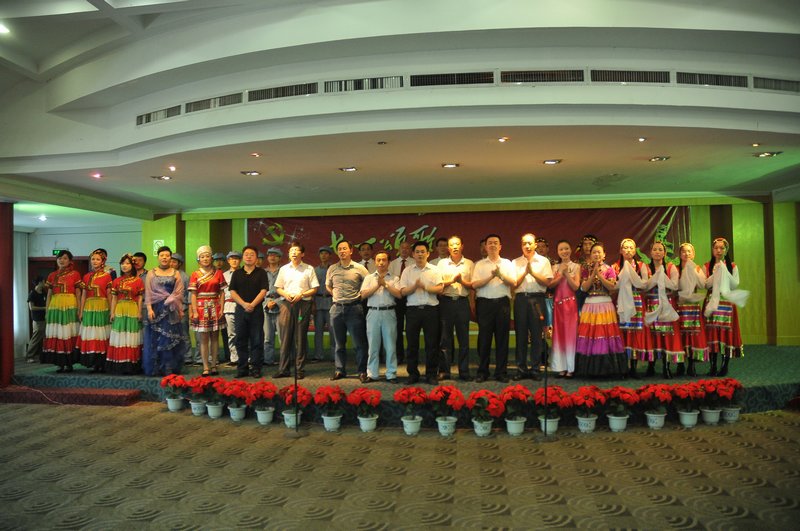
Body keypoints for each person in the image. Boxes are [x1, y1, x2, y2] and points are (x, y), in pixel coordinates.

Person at [574, 242, 627, 377]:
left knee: (605, 335)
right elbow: (584, 288)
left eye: (599, 252)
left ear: (604, 255)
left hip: (605, 305)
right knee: (590, 335)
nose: (596, 254)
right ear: (590, 255)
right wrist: (593, 274)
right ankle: (589, 370)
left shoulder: (609, 269)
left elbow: (611, 287)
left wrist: (600, 275)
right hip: (590, 305)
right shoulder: (585, 269)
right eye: (594, 252)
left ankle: (608, 369)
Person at [470, 234, 515, 383]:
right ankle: (483, 372)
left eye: (496, 243)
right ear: (485, 246)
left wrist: (500, 275)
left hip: (502, 304)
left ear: (500, 246)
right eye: (490, 243)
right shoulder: (479, 264)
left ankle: (501, 372)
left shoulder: (507, 263)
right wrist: (491, 277)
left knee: (502, 339)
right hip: (485, 304)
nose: (493, 245)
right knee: (484, 339)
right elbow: (474, 284)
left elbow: (513, 282)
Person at [399, 240, 444, 384]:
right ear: (413, 254)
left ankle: (431, 374)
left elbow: (440, 288)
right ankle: (413, 374)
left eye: (422, 252)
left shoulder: (435, 270)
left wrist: (425, 287)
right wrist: (414, 287)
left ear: (428, 253)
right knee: (412, 344)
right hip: (413, 311)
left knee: (432, 344)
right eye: (417, 252)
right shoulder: (407, 270)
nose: (420, 254)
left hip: (431, 310)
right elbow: (403, 291)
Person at [273, 242, 319, 379]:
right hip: (286, 304)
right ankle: (283, 369)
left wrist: (302, 294)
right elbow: (278, 287)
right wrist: (285, 294)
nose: (293, 252)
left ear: (302, 254)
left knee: (300, 337)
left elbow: (314, 288)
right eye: (291, 250)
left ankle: (299, 369)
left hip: (303, 304)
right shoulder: (284, 269)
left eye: (296, 250)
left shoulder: (309, 269)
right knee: (285, 337)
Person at [326, 240, 370, 382]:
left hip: (354, 308)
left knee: (359, 343)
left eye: (344, 248)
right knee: (338, 344)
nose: (342, 251)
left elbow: (369, 284)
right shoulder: (332, 268)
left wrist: (360, 295)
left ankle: (362, 371)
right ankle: (339, 370)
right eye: (339, 249)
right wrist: (335, 294)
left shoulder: (360, 268)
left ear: (351, 251)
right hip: (336, 308)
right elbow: (328, 285)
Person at [512, 233, 553, 380]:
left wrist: (533, 273)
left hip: (537, 299)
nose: (527, 246)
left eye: (530, 243)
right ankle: (521, 368)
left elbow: (548, 283)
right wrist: (525, 273)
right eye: (524, 243)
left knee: (537, 335)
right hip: (521, 299)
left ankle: (535, 368)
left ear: (535, 245)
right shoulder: (515, 262)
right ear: (521, 245)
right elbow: (513, 284)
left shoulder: (543, 261)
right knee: (521, 335)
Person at [704, 237, 747, 376]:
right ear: (712, 250)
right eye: (716, 248)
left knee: (725, 333)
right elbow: (705, 284)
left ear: (726, 250)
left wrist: (723, 269)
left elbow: (734, 284)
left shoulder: (732, 266)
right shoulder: (707, 266)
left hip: (726, 303)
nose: (719, 250)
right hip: (712, 301)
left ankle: (724, 365)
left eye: (722, 248)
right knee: (712, 333)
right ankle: (712, 365)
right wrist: (715, 273)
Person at [144, 246, 188, 376]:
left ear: (170, 258)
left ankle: (169, 367)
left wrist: (178, 308)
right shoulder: (151, 273)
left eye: (167, 255)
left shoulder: (176, 273)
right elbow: (148, 292)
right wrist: (149, 309)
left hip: (171, 309)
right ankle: (157, 367)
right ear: (158, 257)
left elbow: (179, 292)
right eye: (162, 255)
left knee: (170, 337)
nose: (164, 258)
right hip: (156, 309)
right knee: (156, 338)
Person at [613, 238, 653, 378]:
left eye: (631, 248)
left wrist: (632, 278)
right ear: (621, 250)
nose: (628, 250)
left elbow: (645, 284)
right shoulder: (615, 267)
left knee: (635, 332)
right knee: (623, 332)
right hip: (622, 301)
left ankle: (634, 368)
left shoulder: (641, 265)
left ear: (635, 250)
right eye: (625, 247)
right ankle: (623, 368)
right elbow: (613, 285)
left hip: (637, 301)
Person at [360, 250, 402, 382]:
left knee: (390, 346)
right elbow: (363, 295)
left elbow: (399, 294)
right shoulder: (369, 278)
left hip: (389, 312)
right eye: (378, 260)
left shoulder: (395, 278)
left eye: (384, 260)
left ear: (389, 262)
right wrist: (377, 285)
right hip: (373, 312)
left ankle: (391, 374)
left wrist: (386, 284)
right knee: (373, 345)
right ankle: (372, 374)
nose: (381, 263)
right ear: (375, 262)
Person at [437, 235, 474, 381]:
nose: (454, 247)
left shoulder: (469, 263)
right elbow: (438, 284)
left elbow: (473, 285)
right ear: (448, 248)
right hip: (446, 302)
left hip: (462, 302)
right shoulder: (442, 264)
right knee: (445, 339)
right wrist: (451, 281)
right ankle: (444, 371)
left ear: (462, 246)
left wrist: (462, 282)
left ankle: (464, 371)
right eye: (452, 245)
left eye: (457, 244)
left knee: (463, 339)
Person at [229, 246, 269, 378]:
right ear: (243, 257)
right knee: (240, 340)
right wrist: (244, 304)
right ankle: (242, 368)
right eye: (246, 254)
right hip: (240, 310)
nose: (249, 257)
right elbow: (232, 291)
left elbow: (263, 291)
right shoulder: (237, 273)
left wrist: (252, 304)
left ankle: (256, 368)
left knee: (257, 340)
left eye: (252, 254)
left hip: (256, 310)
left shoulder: (261, 273)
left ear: (256, 258)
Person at [644, 241, 682, 379]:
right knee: (652, 336)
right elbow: (644, 286)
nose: (657, 252)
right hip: (652, 304)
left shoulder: (671, 267)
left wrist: (661, 275)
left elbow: (674, 285)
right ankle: (651, 365)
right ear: (651, 252)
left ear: (665, 253)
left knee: (666, 336)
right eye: (655, 249)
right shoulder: (646, 267)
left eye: (660, 250)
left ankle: (666, 366)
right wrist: (656, 277)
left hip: (666, 305)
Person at [189, 245, 227, 376]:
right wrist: (194, 311)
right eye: (202, 257)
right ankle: (206, 366)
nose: (205, 259)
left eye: (207, 256)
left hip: (215, 306)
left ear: (211, 258)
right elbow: (193, 294)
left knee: (215, 337)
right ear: (198, 259)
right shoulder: (195, 274)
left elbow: (222, 292)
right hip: (201, 307)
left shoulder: (218, 273)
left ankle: (214, 364)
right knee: (203, 338)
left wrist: (222, 307)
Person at [42, 250, 82, 372]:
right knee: (57, 332)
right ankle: (60, 363)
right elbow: (49, 295)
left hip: (70, 306)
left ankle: (69, 363)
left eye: (65, 258)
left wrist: (79, 309)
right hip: (55, 307)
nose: (62, 260)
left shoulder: (75, 274)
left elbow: (78, 293)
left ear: (70, 261)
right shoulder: (52, 275)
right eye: (59, 258)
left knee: (68, 332)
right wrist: (47, 311)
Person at [106, 254, 144, 375]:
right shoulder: (116, 281)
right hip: (120, 309)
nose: (124, 266)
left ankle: (131, 364)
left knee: (131, 336)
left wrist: (139, 312)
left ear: (132, 265)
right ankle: (120, 364)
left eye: (127, 263)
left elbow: (140, 298)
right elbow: (114, 298)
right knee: (120, 335)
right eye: (122, 263)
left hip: (132, 309)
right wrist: (112, 312)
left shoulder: (138, 280)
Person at [77, 249, 114, 372]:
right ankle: (93, 362)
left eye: (98, 259)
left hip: (102, 307)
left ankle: (102, 362)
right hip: (89, 307)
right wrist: (81, 311)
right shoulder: (86, 276)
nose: (95, 261)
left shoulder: (107, 276)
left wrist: (111, 310)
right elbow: (83, 295)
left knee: (101, 333)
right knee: (91, 333)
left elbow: (109, 294)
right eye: (93, 259)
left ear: (103, 261)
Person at [549, 240, 580, 378]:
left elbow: (576, 286)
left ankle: (571, 368)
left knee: (570, 335)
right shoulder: (554, 267)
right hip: (558, 305)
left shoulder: (576, 266)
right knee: (559, 335)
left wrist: (567, 274)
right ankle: (560, 367)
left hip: (571, 305)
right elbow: (550, 285)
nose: (564, 251)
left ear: (570, 250)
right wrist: (560, 273)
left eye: (566, 248)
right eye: (561, 249)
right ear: (557, 252)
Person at [676, 243, 708, 376]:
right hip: (680, 306)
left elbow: (702, 285)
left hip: (693, 307)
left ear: (693, 254)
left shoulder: (697, 268)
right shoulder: (675, 269)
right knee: (680, 334)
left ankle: (691, 364)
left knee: (693, 335)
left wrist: (694, 271)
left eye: (689, 251)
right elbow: (674, 286)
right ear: (680, 254)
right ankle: (680, 364)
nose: (687, 254)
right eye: (684, 251)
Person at [172, 253, 199, 367]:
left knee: (184, 333)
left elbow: (190, 294)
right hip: (169, 309)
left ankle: (187, 356)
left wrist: (190, 308)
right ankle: (174, 356)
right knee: (171, 334)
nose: (172, 263)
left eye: (174, 262)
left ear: (179, 264)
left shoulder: (185, 276)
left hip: (182, 308)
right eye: (171, 261)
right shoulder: (166, 275)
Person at [388, 241, 412, 363]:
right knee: (397, 328)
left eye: (407, 248)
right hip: (397, 299)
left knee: (411, 329)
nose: (404, 250)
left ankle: (411, 355)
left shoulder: (414, 263)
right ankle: (399, 355)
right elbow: (390, 280)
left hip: (411, 298)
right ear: (399, 249)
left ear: (410, 250)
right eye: (402, 248)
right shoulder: (392, 264)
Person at [313, 246, 335, 362]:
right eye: (322, 253)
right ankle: (318, 355)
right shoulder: (315, 270)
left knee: (333, 331)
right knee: (318, 331)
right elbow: (312, 287)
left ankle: (334, 355)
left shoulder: (334, 269)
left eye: (326, 253)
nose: (324, 255)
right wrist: (312, 304)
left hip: (331, 302)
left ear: (330, 255)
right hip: (318, 302)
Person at [262, 247, 282, 367]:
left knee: (282, 336)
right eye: (270, 255)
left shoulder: (284, 271)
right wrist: (267, 303)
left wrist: (277, 302)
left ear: (279, 258)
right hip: (266, 304)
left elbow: (287, 288)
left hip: (281, 304)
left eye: (275, 255)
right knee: (267, 336)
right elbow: (259, 290)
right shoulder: (263, 272)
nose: (272, 257)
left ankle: (285, 360)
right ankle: (268, 360)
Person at [222, 250, 241, 367]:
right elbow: (222, 293)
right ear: (228, 261)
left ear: (240, 260)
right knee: (231, 334)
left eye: (236, 258)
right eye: (231, 258)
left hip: (242, 305)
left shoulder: (245, 273)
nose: (234, 261)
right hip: (229, 305)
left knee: (244, 333)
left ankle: (246, 357)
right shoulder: (224, 275)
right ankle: (234, 358)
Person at [25, 276, 47, 363]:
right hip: (37, 319)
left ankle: (44, 356)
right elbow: (32, 307)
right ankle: (29, 356)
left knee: (45, 337)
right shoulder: (32, 294)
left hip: (45, 318)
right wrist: (44, 308)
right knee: (36, 338)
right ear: (40, 282)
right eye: (44, 282)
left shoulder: (44, 293)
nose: (45, 284)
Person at [575, 234, 597, 313]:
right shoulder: (577, 262)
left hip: (596, 292)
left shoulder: (598, 261)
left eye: (590, 244)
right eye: (585, 244)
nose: (587, 247)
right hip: (581, 294)